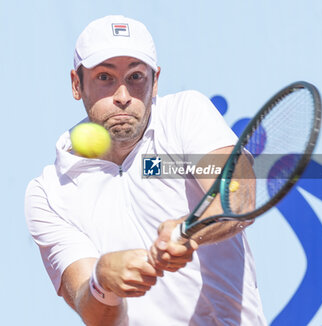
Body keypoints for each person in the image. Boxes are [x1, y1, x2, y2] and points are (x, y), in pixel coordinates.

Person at [25, 15, 266, 326]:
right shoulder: (48, 192)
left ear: (156, 82)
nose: (123, 96)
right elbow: (94, 312)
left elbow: (239, 194)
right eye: (104, 78)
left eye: (136, 76)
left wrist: (190, 231)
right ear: (76, 84)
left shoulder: (186, 114)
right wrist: (103, 283)